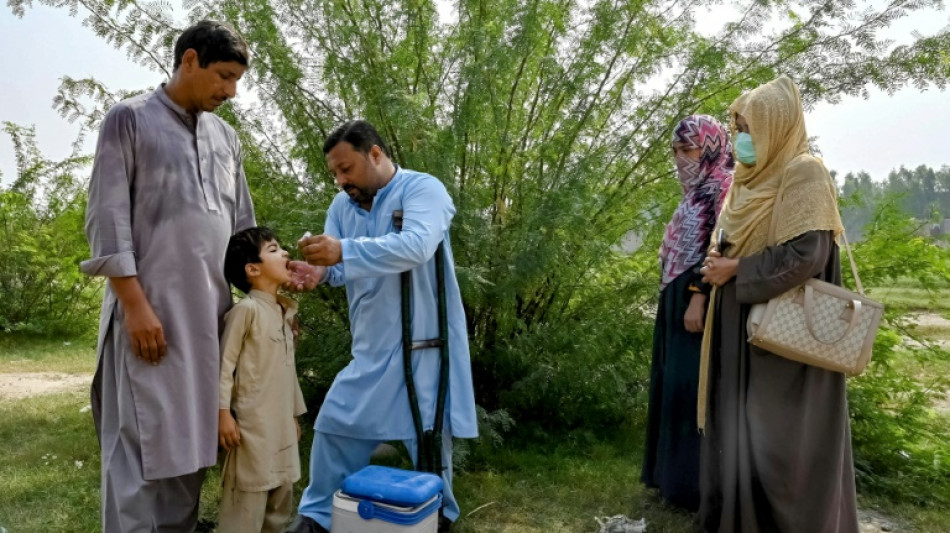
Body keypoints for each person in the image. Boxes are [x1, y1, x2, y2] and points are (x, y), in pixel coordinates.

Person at [79, 20, 254, 532]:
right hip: (149, 316)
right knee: (135, 452)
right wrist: (134, 306)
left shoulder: (227, 140)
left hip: (207, 321)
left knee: (190, 445)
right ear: (190, 60)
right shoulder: (128, 120)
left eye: (237, 81)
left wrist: (276, 288)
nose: (231, 91)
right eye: (224, 76)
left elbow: (242, 231)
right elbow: (107, 219)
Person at [284, 120, 478, 533]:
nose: (340, 181)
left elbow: (416, 246)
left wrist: (342, 252)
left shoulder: (423, 189)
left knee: (427, 440)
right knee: (335, 423)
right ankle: (318, 516)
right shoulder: (341, 208)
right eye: (334, 173)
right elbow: (339, 268)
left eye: (347, 169)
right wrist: (317, 273)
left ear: (375, 154)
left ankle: (435, 514)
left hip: (423, 345)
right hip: (371, 347)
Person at [697, 76, 859, 532]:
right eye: (738, 128)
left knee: (781, 441)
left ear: (777, 126)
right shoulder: (748, 179)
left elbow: (808, 254)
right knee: (740, 427)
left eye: (750, 128)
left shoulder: (804, 172)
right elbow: (729, 236)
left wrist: (738, 270)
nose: (741, 139)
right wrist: (718, 259)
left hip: (787, 337)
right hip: (740, 322)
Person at [641, 115, 733, 511]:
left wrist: (698, 296)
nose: (681, 158)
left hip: (698, 299)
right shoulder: (694, 191)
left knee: (689, 388)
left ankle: (690, 488)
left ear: (711, 147)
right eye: (676, 151)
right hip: (674, 298)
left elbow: (721, 246)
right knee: (669, 382)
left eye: (688, 149)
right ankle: (667, 480)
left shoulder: (723, 188)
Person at [217, 227, 307, 533]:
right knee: (246, 507)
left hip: (280, 428)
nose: (284, 253)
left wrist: (294, 414)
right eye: (274, 250)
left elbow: (288, 369)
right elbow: (224, 365)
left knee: (279, 504)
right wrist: (223, 413)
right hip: (250, 430)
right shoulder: (246, 311)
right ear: (252, 269)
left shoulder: (284, 312)